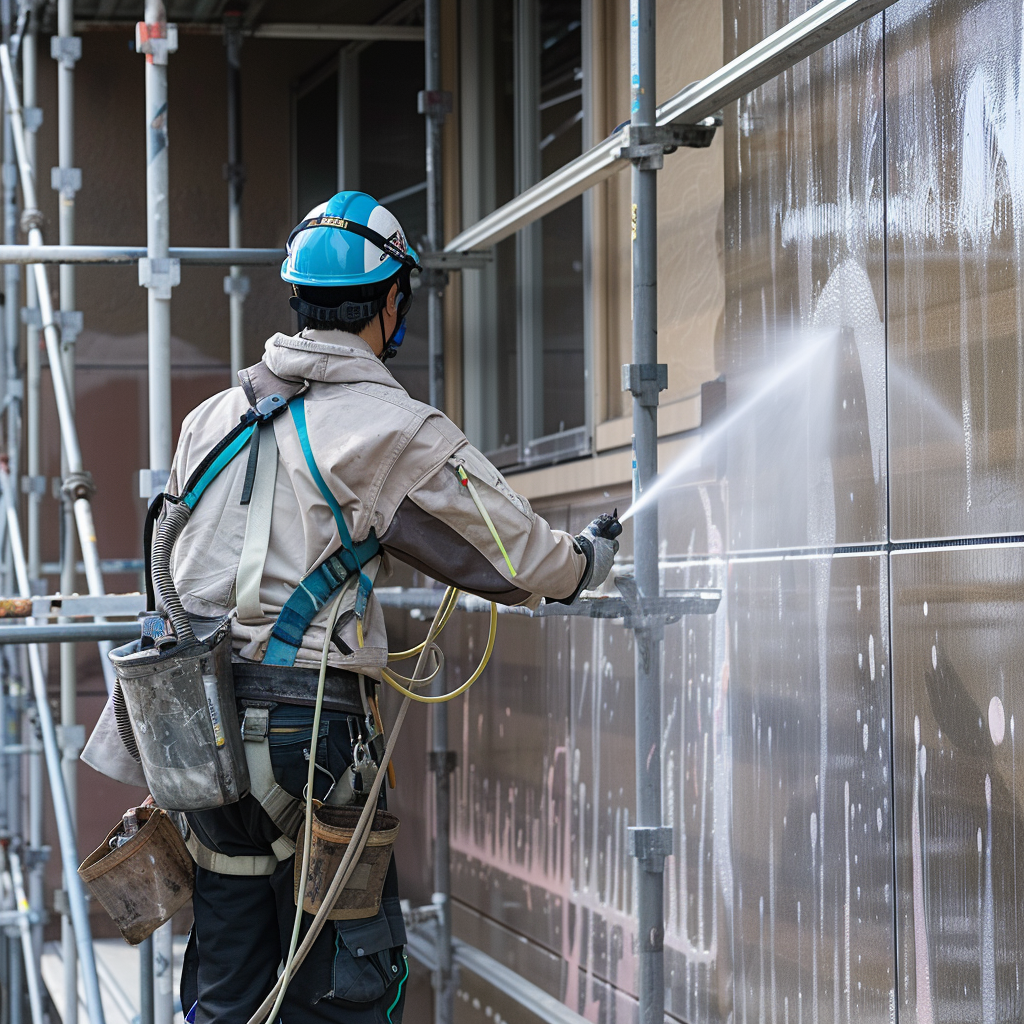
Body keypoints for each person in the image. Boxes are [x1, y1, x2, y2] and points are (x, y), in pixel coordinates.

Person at [82, 191, 620, 1024]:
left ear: (297, 301)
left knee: (230, 976)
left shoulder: (212, 419)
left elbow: (172, 569)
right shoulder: (391, 429)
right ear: (392, 302)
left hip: (198, 737)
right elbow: (518, 559)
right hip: (311, 740)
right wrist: (585, 564)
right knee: (343, 985)